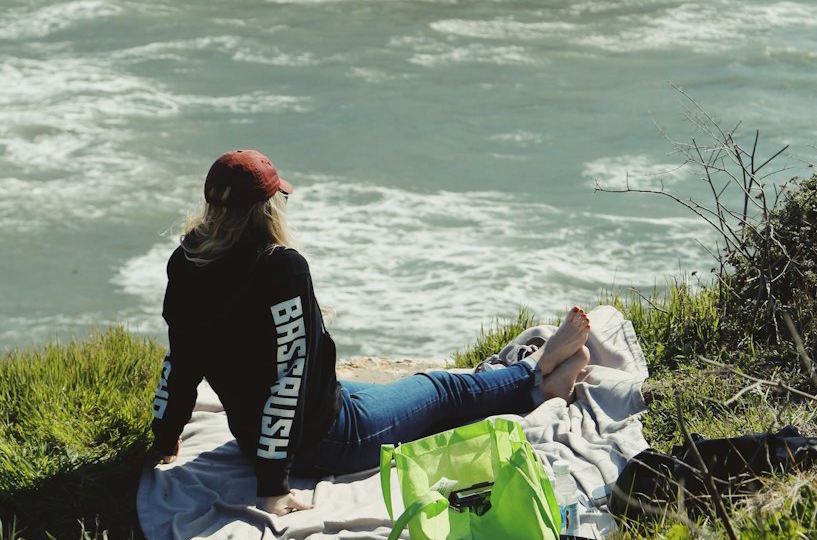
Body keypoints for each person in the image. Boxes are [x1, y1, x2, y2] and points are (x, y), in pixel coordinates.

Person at [150, 149, 591, 515]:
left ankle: (539, 392)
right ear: (267, 209)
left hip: (269, 432)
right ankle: (537, 366)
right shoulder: (279, 268)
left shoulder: (188, 262)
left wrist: (166, 436)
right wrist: (273, 488)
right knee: (439, 389)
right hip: (324, 441)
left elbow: (181, 360)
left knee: (422, 405)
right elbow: (291, 377)